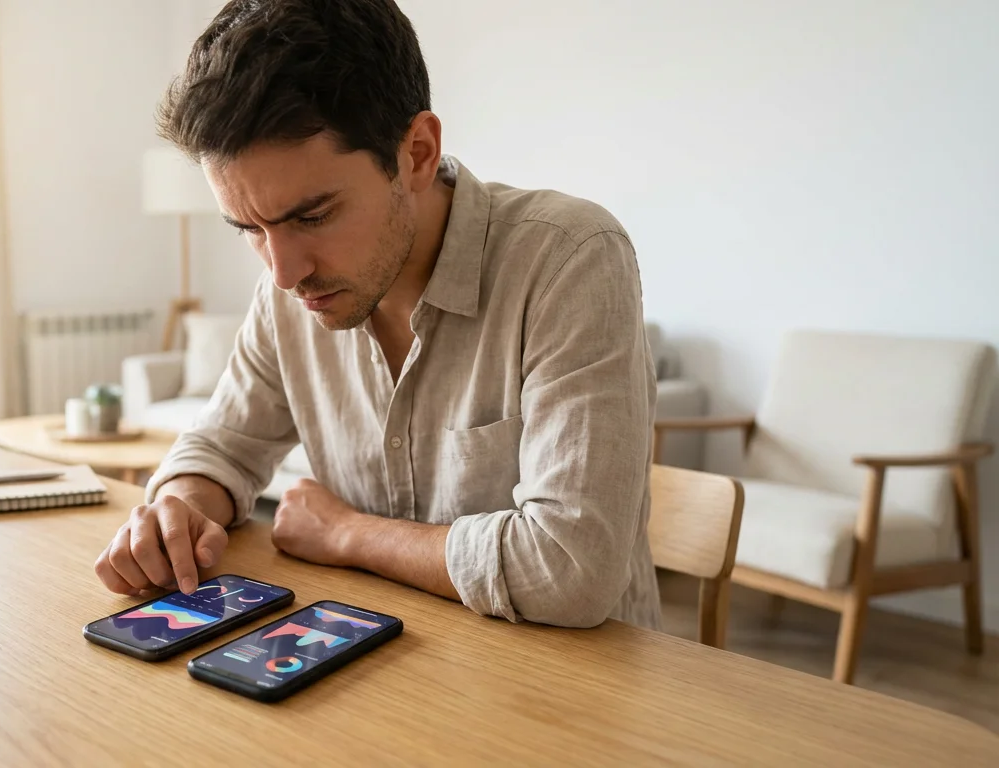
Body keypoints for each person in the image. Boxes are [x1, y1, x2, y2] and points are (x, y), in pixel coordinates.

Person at [94, 0, 661, 629]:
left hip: (575, 688)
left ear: (416, 152)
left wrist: (347, 534)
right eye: (247, 228)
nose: (282, 272)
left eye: (312, 216)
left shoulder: (569, 259)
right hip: (374, 662)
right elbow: (221, 446)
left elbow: (569, 573)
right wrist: (177, 506)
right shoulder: (285, 293)